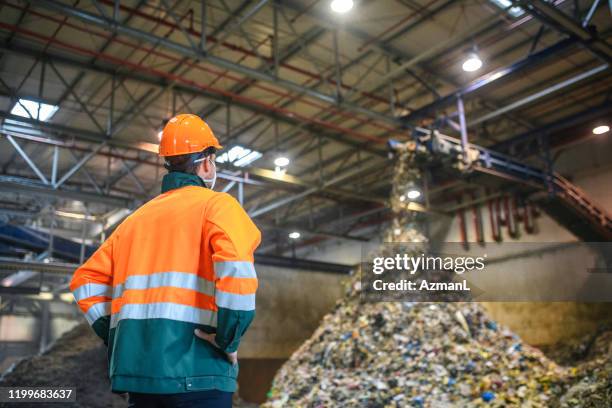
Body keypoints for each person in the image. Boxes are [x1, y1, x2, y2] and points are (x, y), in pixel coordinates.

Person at [70, 113, 261, 408]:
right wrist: (228, 341)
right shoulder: (218, 206)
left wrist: (120, 336)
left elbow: (84, 281)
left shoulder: (133, 222)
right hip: (200, 375)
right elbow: (236, 271)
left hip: (140, 381)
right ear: (206, 162)